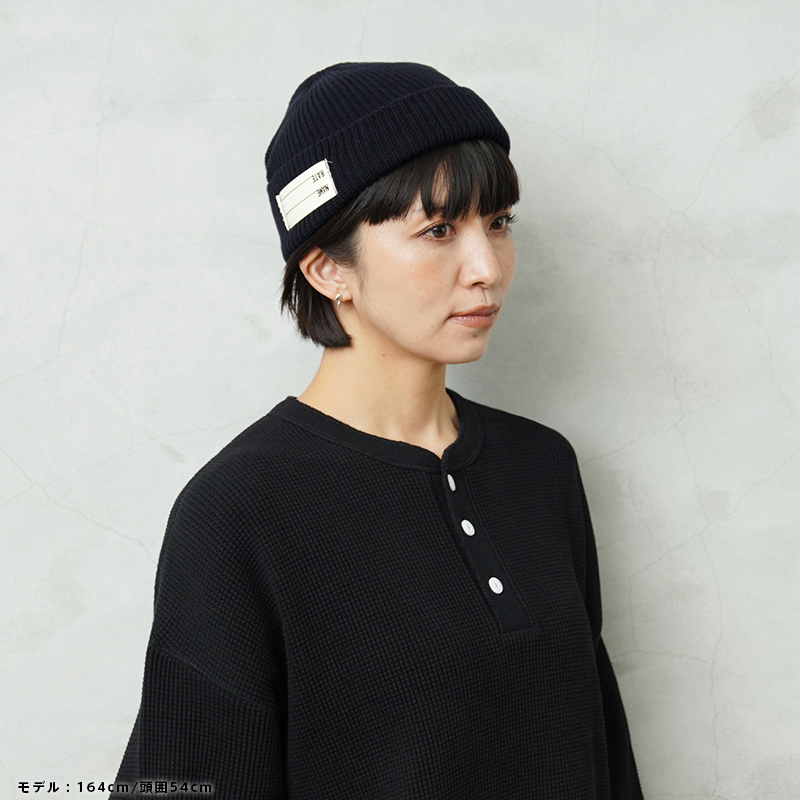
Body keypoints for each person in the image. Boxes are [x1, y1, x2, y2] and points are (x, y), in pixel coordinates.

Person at [110, 62, 644, 799]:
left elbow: (602, 750)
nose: (487, 267)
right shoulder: (240, 510)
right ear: (327, 268)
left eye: (498, 223)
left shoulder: (541, 467)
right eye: (438, 230)